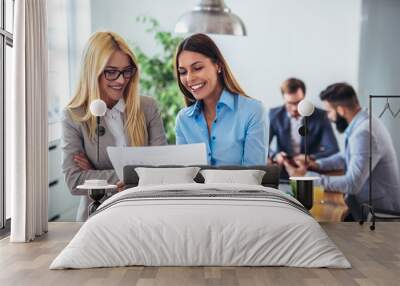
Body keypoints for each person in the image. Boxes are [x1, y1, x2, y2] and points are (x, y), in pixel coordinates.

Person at [62, 31, 167, 221]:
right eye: (111, 72)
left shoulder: (148, 107)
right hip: (97, 217)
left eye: (126, 71)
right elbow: (74, 180)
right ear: (92, 72)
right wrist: (136, 176)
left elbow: (162, 170)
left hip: (145, 215)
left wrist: (94, 173)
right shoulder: (73, 116)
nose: (121, 80)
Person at [284, 83, 400, 220]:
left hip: (379, 214)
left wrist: (308, 178)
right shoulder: (361, 121)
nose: (328, 117)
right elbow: (347, 155)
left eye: (329, 112)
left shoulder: (363, 133)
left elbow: (352, 184)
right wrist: (317, 164)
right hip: (366, 206)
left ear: (340, 110)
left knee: (323, 218)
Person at [174, 33, 267, 166]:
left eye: (197, 68)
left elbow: (255, 175)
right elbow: (183, 176)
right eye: (183, 72)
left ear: (218, 65)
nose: (189, 78)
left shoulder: (252, 111)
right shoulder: (183, 119)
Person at [269, 78, 339, 172]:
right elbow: (262, 145)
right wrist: (275, 155)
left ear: (304, 97)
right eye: (290, 103)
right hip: (283, 172)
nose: (294, 108)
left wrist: (310, 157)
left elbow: (333, 150)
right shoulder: (274, 115)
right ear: (284, 99)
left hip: (311, 173)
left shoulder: (321, 116)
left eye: (298, 102)